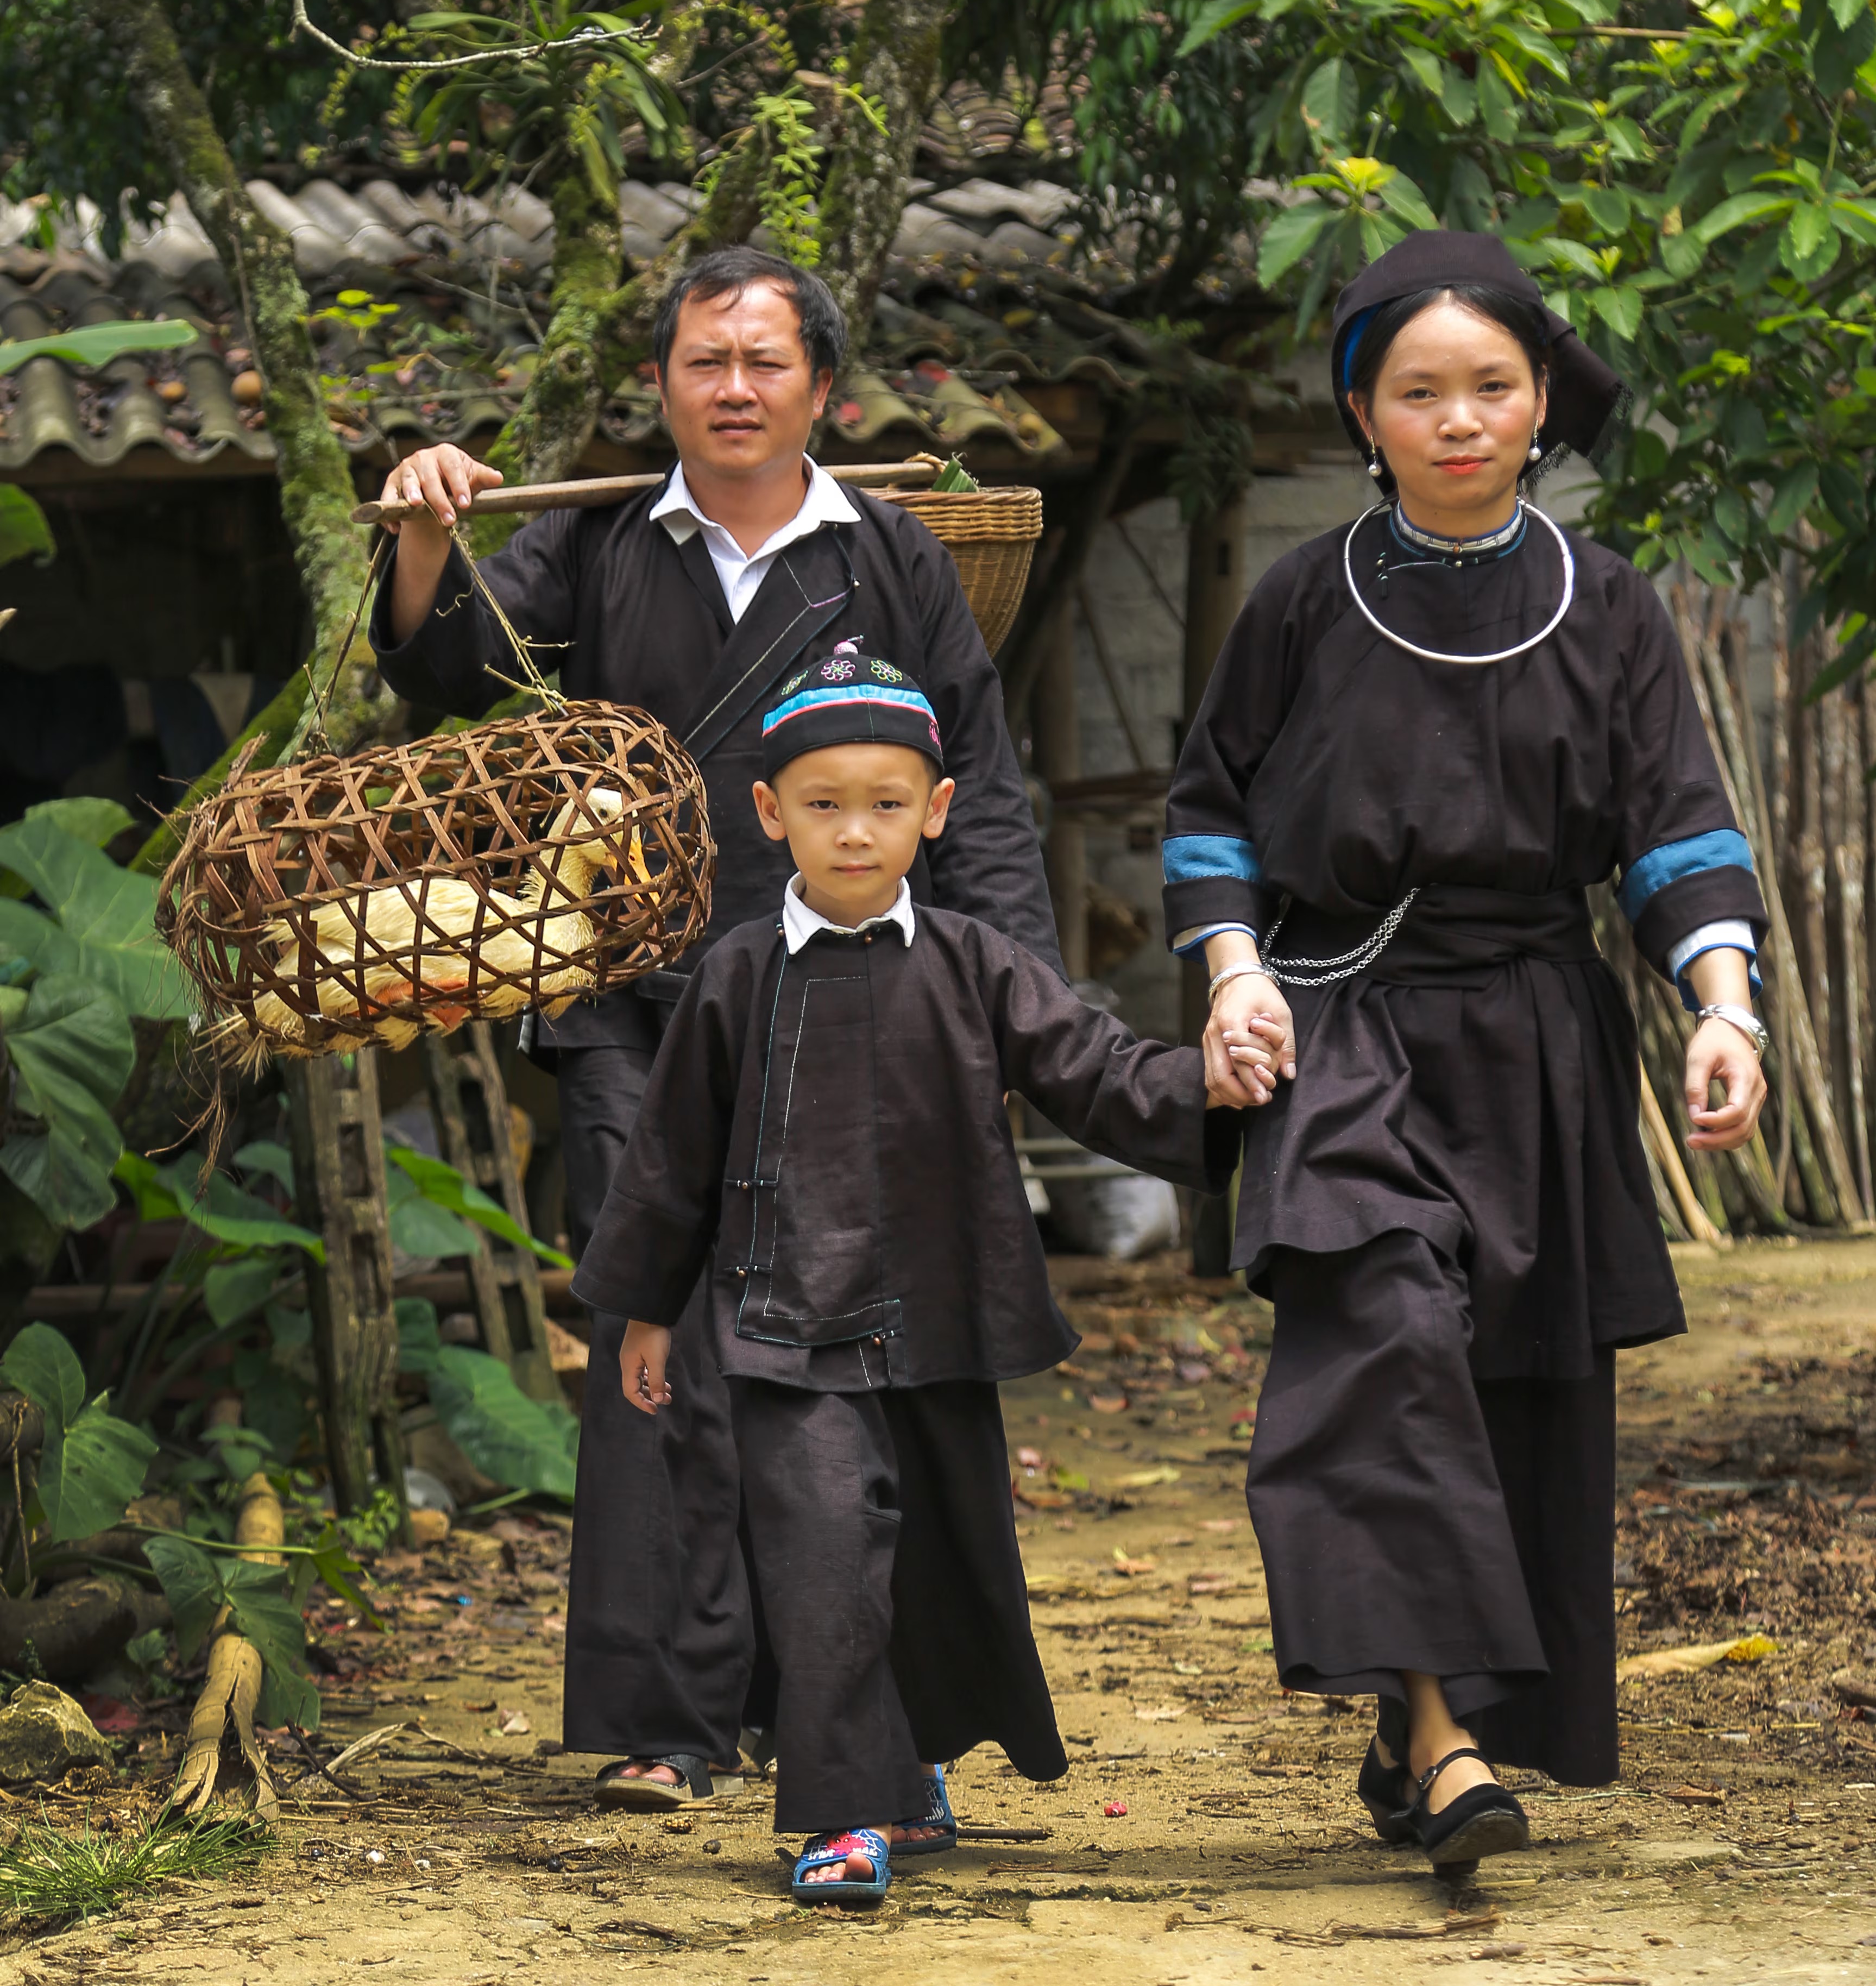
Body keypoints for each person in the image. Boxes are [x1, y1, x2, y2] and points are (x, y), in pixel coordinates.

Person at [369, 249, 1063, 1812]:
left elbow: (988, 796)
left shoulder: (888, 554)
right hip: (632, 1007)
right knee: (648, 1346)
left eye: (762, 362)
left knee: (856, 1356)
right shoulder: (599, 541)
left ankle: (855, 1710)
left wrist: (1011, 1006)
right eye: (701, 362)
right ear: (662, 385)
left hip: (855, 1009)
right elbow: (452, 666)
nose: (731, 388)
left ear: (822, 386)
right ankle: (663, 1717)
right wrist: (425, 539)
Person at [1163, 230, 1769, 1870]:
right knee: (1380, 1339)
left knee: (1499, 1394)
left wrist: (1720, 1000)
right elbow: (1208, 810)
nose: (1454, 419)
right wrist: (1229, 976)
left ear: (1535, 399)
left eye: (1487, 387)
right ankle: (1440, 1741)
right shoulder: (1300, 600)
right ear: (1362, 411)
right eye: (1414, 390)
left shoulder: (1607, 605)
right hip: (1337, 1018)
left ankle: (1418, 1712)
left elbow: (1674, 833)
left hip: (1527, 1033)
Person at [574, 654, 1251, 1902]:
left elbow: (1095, 1071)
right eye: (822, 802)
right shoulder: (732, 974)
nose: (855, 829)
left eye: (887, 801)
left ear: (935, 810)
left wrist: (1205, 1089)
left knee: (939, 1562)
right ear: (767, 811)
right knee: (824, 1555)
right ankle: (843, 1813)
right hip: (783, 1326)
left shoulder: (976, 961)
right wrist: (648, 1306)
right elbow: (667, 1159)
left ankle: (911, 1765)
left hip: (942, 1313)